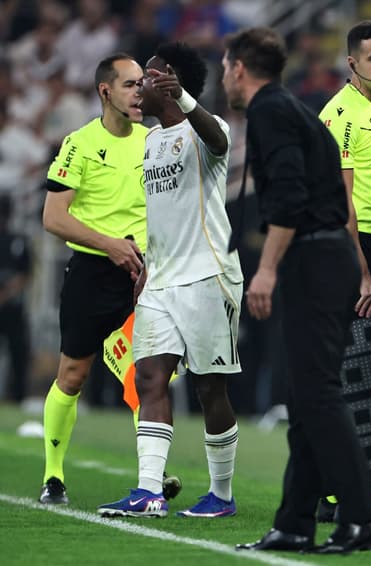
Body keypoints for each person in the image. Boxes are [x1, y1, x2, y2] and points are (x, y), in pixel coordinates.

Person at [221, 27, 371, 554]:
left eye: (226, 68)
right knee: (305, 397)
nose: (224, 77)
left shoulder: (270, 111)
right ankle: (294, 521)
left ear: (239, 69)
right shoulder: (288, 109)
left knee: (316, 394)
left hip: (313, 257)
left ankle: (362, 518)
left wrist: (265, 270)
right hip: (323, 256)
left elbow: (289, 197)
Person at [97, 41, 241, 519]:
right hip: (161, 279)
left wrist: (185, 100)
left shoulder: (209, 127)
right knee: (151, 376)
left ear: (169, 82)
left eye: (146, 79)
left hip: (208, 275)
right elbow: (162, 215)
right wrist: (148, 270)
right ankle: (148, 492)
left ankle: (221, 493)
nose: (137, 88)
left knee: (209, 388)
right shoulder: (151, 141)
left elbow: (219, 143)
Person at [39, 52, 148, 505]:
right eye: (130, 84)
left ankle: (151, 483)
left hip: (143, 273)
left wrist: (151, 260)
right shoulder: (79, 144)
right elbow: (53, 217)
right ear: (106, 91)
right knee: (73, 374)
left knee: (149, 377)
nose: (140, 91)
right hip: (92, 271)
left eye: (143, 83)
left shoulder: (155, 142)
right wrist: (110, 244)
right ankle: (53, 476)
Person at [318, 20, 371, 318]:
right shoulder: (341, 115)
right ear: (352, 63)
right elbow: (339, 201)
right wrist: (362, 274)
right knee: (361, 357)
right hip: (351, 247)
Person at [0, 195, 31, 403]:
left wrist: (5, 294)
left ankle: (17, 396)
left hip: (12, 307)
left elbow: (25, 274)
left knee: (18, 352)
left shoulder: (17, 241)